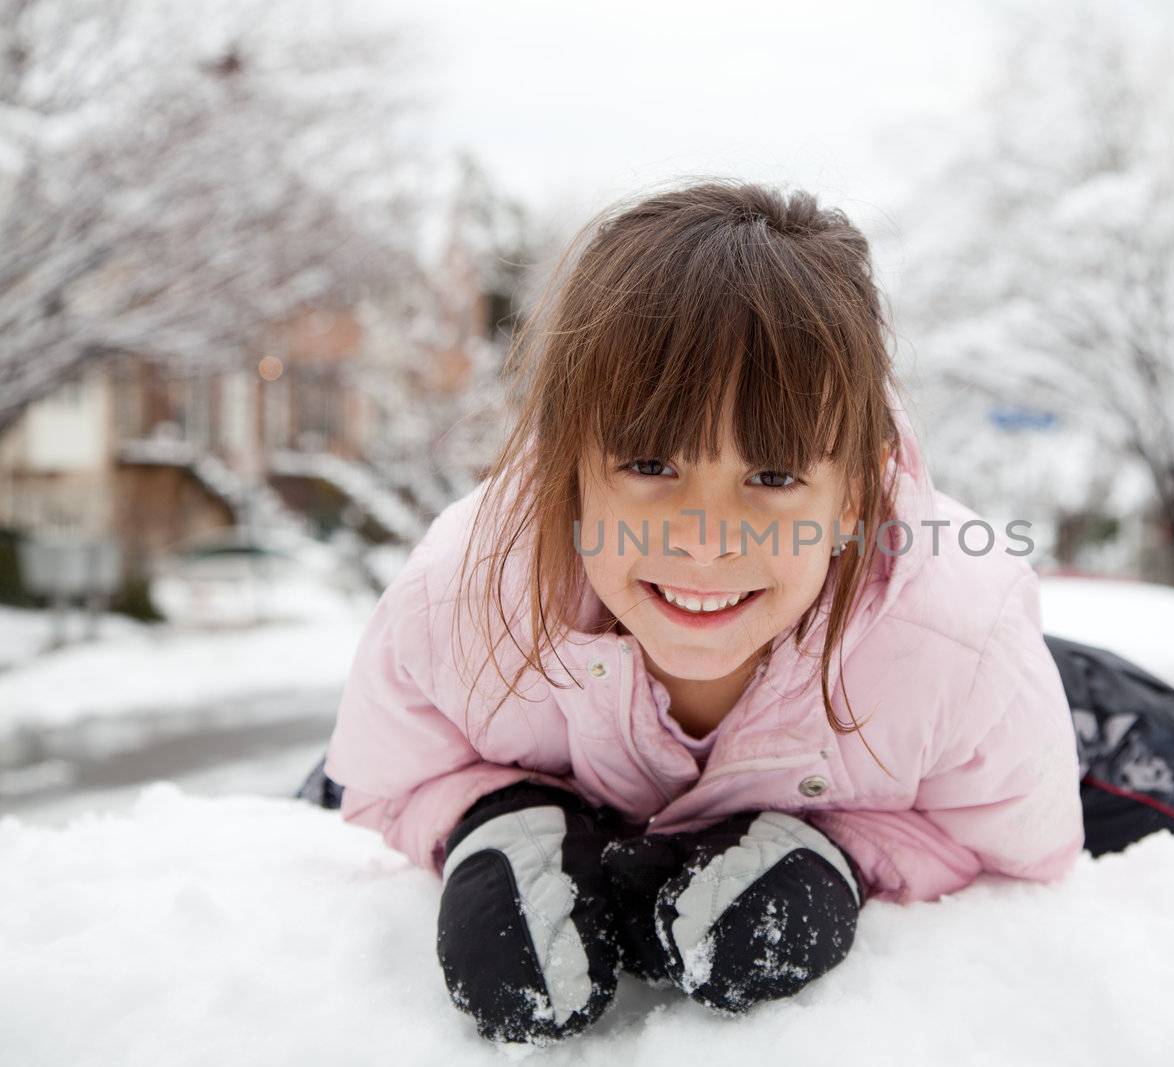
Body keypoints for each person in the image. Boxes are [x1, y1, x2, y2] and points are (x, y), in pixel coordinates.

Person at [318, 180, 1085, 1046]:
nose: (705, 540)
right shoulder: (461, 605)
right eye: (650, 462)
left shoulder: (960, 650)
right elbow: (387, 781)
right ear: (571, 461)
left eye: (773, 477)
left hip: (945, 681)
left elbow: (1021, 852)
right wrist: (489, 817)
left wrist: (837, 851)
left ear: (857, 493)